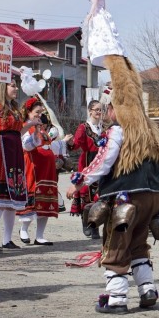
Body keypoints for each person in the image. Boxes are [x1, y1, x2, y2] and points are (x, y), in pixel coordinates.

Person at [66, 55, 159, 314]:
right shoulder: (151, 128)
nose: (108, 112)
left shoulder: (119, 129)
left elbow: (104, 160)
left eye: (109, 107)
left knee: (116, 243)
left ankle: (116, 298)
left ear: (115, 107)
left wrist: (79, 182)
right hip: (152, 196)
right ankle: (147, 290)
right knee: (139, 243)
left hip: (127, 198)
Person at [0, 81, 38, 251]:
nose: (16, 88)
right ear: (2, 87)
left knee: (12, 200)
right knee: (0, 197)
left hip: (14, 153)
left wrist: (31, 124)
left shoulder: (13, 109)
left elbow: (17, 132)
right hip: (0, 152)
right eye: (12, 85)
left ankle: (7, 239)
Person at [16, 98, 58, 246]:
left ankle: (40, 235)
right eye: (36, 112)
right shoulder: (26, 127)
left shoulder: (43, 129)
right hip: (33, 168)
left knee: (45, 201)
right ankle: (24, 230)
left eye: (41, 112)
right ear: (28, 112)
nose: (39, 115)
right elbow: (27, 146)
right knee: (32, 199)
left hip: (47, 171)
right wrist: (35, 132)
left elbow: (51, 146)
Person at [69, 97, 107, 238]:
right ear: (90, 111)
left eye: (101, 110)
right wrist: (69, 143)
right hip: (87, 162)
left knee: (99, 195)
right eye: (96, 110)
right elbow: (76, 144)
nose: (99, 112)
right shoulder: (83, 127)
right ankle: (86, 222)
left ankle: (95, 226)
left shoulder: (104, 128)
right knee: (87, 194)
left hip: (101, 162)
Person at [82, 0, 125, 68]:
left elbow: (94, 3)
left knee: (98, 34)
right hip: (103, 14)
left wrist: (90, 15)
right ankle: (109, 51)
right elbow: (104, 5)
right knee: (106, 34)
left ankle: (100, 51)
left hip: (97, 14)